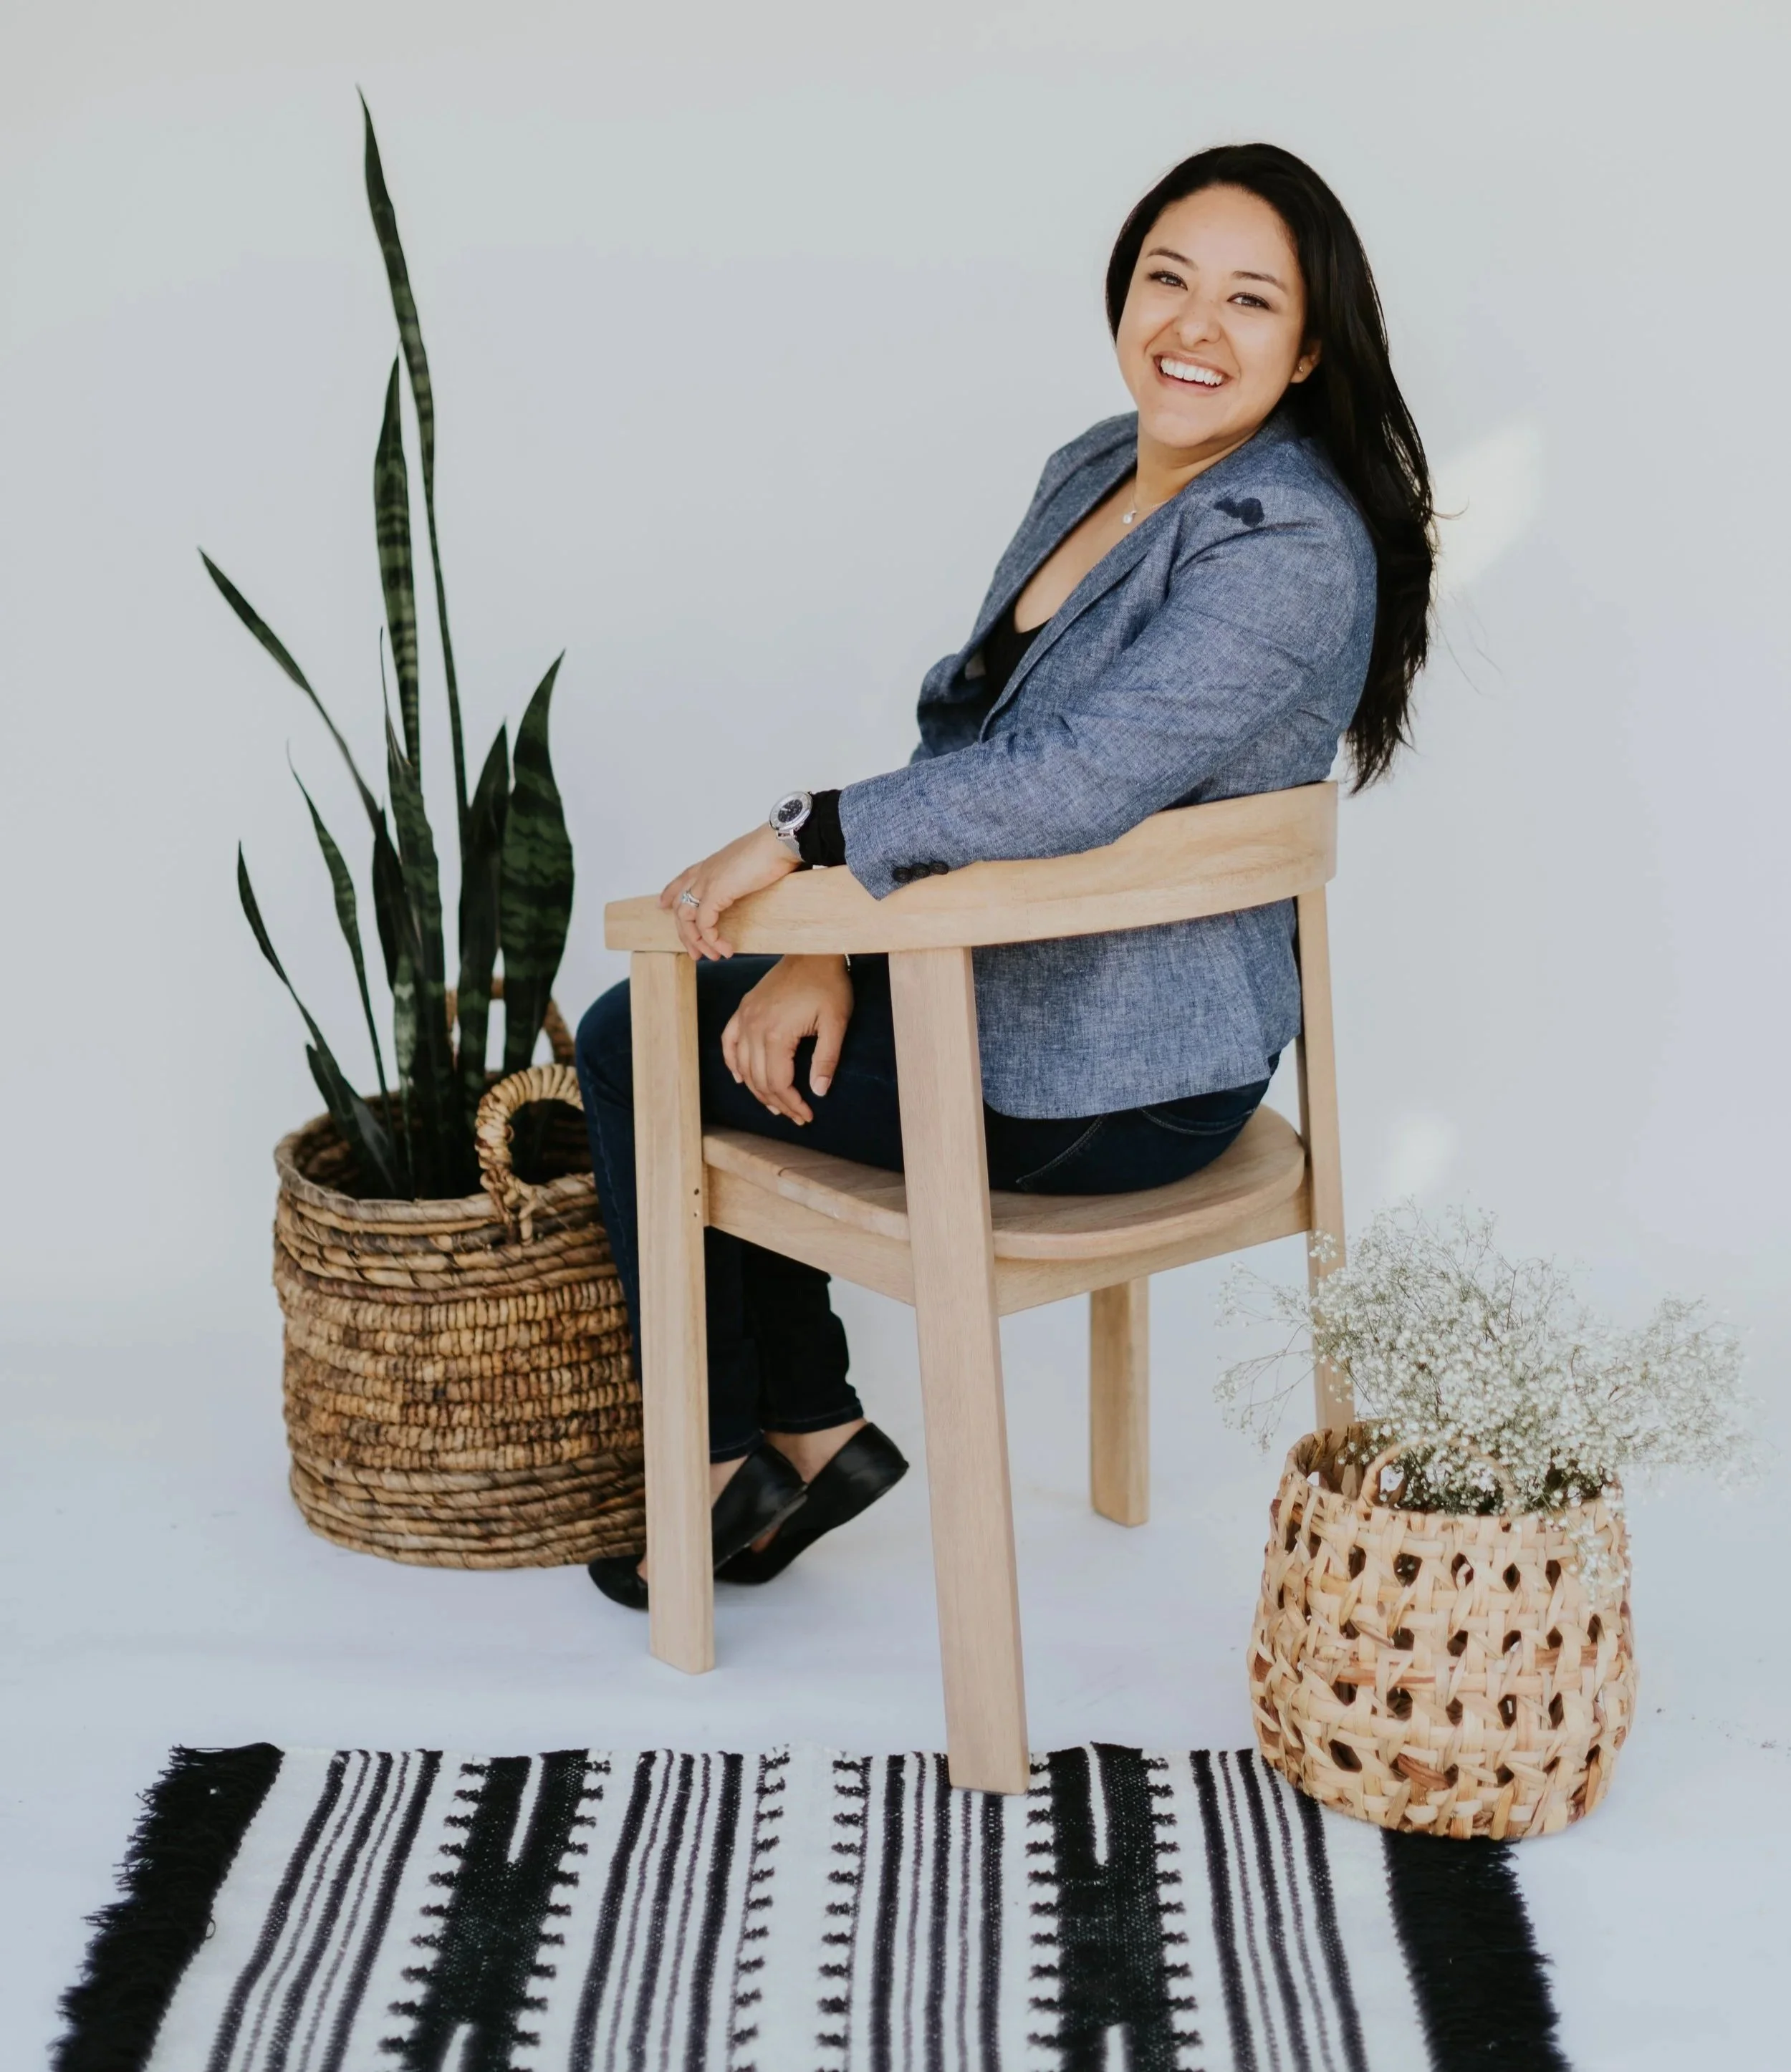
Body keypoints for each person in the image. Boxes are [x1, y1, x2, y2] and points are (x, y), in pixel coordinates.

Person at [577, 141, 1434, 1609]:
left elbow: (1072, 780)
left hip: (1118, 1079)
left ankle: (738, 1454)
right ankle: (807, 1430)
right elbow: (964, 737)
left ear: (1304, 352)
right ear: (1120, 290)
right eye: (1166, 278)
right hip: (992, 966)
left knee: (636, 1035)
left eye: (1246, 301)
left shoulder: (1283, 540)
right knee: (732, 1009)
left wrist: (796, 834)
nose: (1190, 326)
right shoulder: (1095, 466)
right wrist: (824, 949)